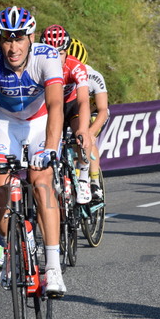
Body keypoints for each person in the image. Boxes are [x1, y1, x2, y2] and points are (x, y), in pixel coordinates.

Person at [0, 6, 67, 297]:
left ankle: (52, 268)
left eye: (19, 38)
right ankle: (14, 237)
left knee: (41, 180)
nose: (13, 47)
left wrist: (50, 148)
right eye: (6, 39)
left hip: (40, 123)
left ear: (31, 37)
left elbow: (56, 106)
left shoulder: (46, 57)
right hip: (7, 123)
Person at [40, 24, 91, 204]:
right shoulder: (38, 65)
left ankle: (84, 177)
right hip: (50, 109)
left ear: (67, 52)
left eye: (60, 53)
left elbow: (84, 100)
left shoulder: (75, 67)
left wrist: (83, 130)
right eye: (50, 53)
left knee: (83, 135)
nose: (55, 58)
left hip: (71, 106)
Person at [67, 37, 109, 201]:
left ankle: (93, 182)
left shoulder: (93, 76)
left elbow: (102, 110)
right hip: (74, 111)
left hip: (94, 111)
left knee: (88, 139)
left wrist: (90, 132)